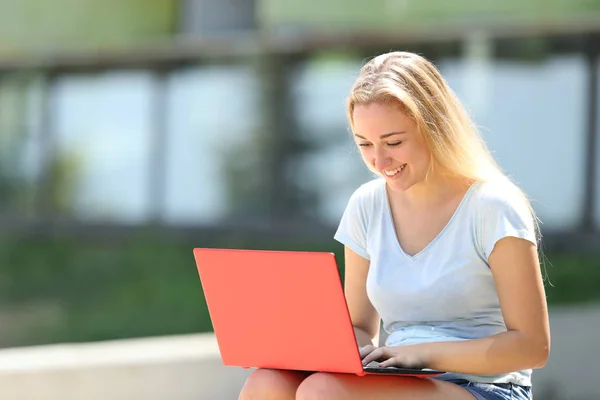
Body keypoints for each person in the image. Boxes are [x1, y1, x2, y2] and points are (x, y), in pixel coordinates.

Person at [238, 51, 550, 400]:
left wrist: (421, 354)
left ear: (434, 128)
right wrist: (318, 353)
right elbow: (358, 328)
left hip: (488, 387)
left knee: (323, 392)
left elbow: (532, 346)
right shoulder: (366, 205)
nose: (380, 160)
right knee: (266, 383)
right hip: (401, 379)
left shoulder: (493, 205)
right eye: (365, 145)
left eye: (394, 142)